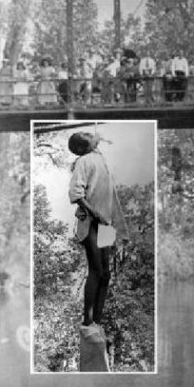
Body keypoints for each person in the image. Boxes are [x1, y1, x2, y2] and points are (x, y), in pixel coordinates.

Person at [68, 132, 125, 331]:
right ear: (82, 148)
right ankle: (88, 321)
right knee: (96, 270)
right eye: (87, 137)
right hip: (92, 221)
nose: (92, 137)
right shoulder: (83, 161)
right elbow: (76, 193)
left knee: (106, 274)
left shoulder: (99, 157)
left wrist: (107, 219)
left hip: (106, 222)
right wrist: (94, 213)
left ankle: (96, 323)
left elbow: (98, 140)